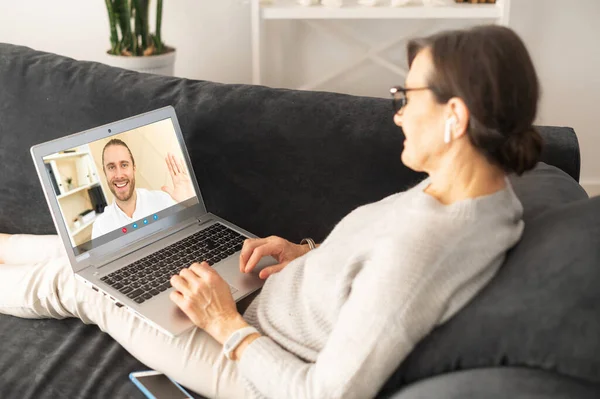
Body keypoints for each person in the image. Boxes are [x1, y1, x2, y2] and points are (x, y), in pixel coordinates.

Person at [0, 25, 542, 398]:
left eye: (408, 96)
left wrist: (223, 323)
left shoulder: (426, 249)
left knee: (80, 285)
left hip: (251, 363)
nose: (397, 113)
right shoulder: (487, 197)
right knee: (98, 252)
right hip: (263, 300)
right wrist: (306, 254)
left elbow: (325, 393)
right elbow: (372, 270)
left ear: (456, 116)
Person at [91, 139, 195, 239]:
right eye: (111, 167)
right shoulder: (100, 228)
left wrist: (191, 202)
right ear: (105, 173)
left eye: (124, 165)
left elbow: (192, 234)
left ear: (134, 168)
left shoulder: (163, 200)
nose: (119, 175)